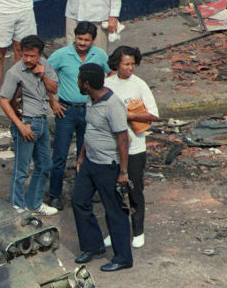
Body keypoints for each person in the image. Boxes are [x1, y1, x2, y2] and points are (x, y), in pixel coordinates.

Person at [71, 63, 132, 272]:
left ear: (86, 84)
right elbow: (91, 130)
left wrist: (123, 172)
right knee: (78, 200)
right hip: (90, 163)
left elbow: (123, 139)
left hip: (109, 166)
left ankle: (123, 257)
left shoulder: (112, 105)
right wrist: (81, 157)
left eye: (79, 79)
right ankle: (93, 246)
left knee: (114, 211)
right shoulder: (90, 100)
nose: (77, 83)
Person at [46, 21, 110, 209]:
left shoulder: (99, 55)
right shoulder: (61, 55)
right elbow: (44, 76)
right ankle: (55, 195)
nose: (82, 43)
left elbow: (112, 74)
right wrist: (53, 102)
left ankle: (85, 193)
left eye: (86, 40)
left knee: (89, 153)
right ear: (74, 37)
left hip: (90, 110)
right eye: (79, 39)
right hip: (66, 110)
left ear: (93, 40)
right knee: (60, 155)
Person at [0, 34, 60, 215]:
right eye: (25, 55)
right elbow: (4, 102)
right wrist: (20, 126)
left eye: (32, 56)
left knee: (44, 165)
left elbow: (54, 88)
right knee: (21, 169)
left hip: (41, 121)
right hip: (26, 123)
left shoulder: (45, 66)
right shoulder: (14, 73)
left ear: (39, 55)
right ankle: (17, 207)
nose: (28, 59)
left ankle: (34, 203)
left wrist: (42, 75)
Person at [104, 46, 159, 248]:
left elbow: (153, 114)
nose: (130, 68)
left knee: (134, 189)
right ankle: (116, 230)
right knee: (112, 191)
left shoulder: (139, 85)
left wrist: (129, 115)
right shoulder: (106, 84)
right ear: (117, 64)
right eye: (126, 64)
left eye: (132, 64)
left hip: (135, 147)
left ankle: (138, 231)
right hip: (111, 148)